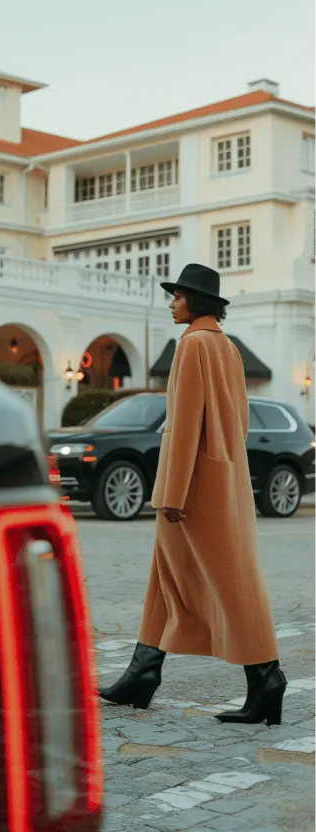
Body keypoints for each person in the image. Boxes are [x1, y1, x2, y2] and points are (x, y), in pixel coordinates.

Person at [97, 263, 286, 726]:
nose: (171, 303)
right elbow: (239, 421)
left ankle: (267, 678)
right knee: (167, 577)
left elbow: (182, 427)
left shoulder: (193, 344)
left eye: (178, 296)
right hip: (223, 476)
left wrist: (173, 492)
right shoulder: (227, 347)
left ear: (196, 302)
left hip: (195, 487)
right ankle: (142, 673)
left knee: (231, 584)